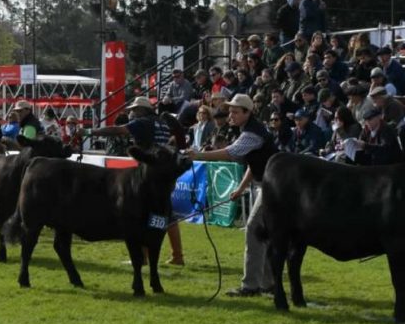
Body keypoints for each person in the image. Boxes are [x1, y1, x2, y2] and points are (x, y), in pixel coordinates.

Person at [186, 94, 278, 297]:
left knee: (254, 230)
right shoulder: (250, 129)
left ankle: (251, 286)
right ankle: (268, 284)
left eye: (236, 112)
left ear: (248, 112)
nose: (231, 115)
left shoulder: (252, 134)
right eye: (230, 111)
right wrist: (241, 187)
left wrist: (198, 155)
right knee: (264, 235)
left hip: (273, 187)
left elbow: (232, 153)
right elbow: (255, 164)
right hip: (271, 184)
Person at [81, 96, 186, 266]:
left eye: (134, 110)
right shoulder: (161, 123)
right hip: (165, 174)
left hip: (149, 175)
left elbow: (117, 130)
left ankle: (144, 257)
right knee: (164, 214)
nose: (131, 113)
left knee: (144, 215)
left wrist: (89, 132)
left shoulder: (142, 122)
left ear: (143, 110)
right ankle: (177, 255)